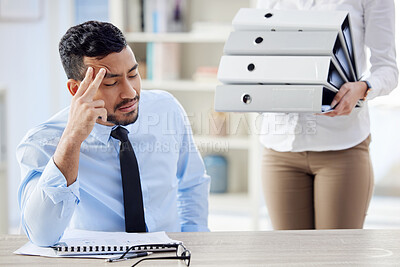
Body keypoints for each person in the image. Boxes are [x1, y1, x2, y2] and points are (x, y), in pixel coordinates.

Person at [17, 21, 210, 246]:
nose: (130, 92)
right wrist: (72, 139)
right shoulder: (42, 142)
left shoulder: (166, 108)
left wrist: (194, 241)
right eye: (111, 83)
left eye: (133, 74)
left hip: (169, 256)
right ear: (76, 89)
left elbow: (192, 182)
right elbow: (42, 236)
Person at [257, 0, 398, 229]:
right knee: (289, 259)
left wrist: (362, 87)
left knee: (337, 257)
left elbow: (388, 68)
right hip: (280, 150)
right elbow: (258, 54)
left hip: (342, 148)